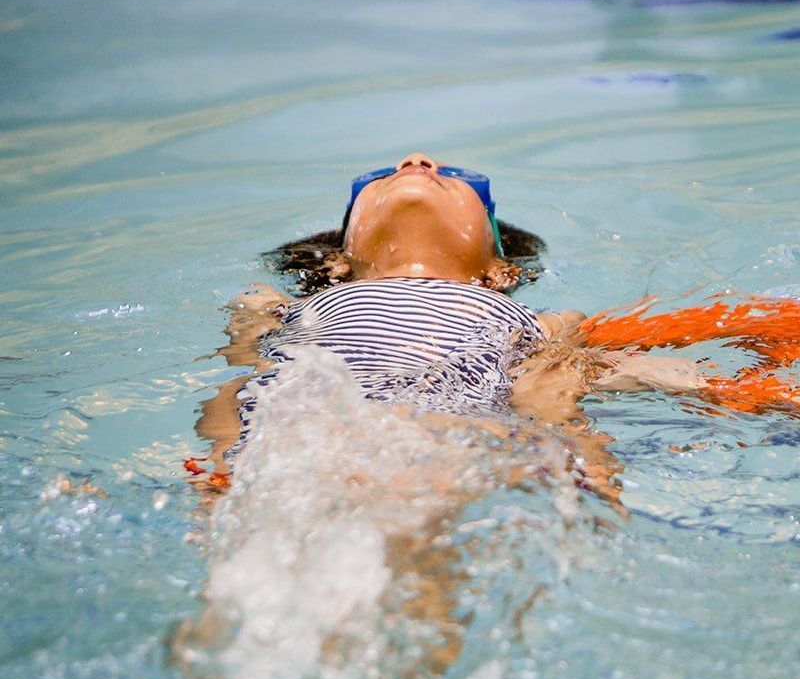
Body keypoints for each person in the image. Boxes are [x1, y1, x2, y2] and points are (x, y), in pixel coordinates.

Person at [191, 151, 730, 505]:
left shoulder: (542, 321)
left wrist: (588, 464)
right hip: (330, 431)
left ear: (500, 271)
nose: (417, 161)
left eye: (454, 178)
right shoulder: (271, 305)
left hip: (449, 430)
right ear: (336, 263)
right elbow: (248, 380)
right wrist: (224, 465)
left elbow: (550, 386)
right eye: (378, 180)